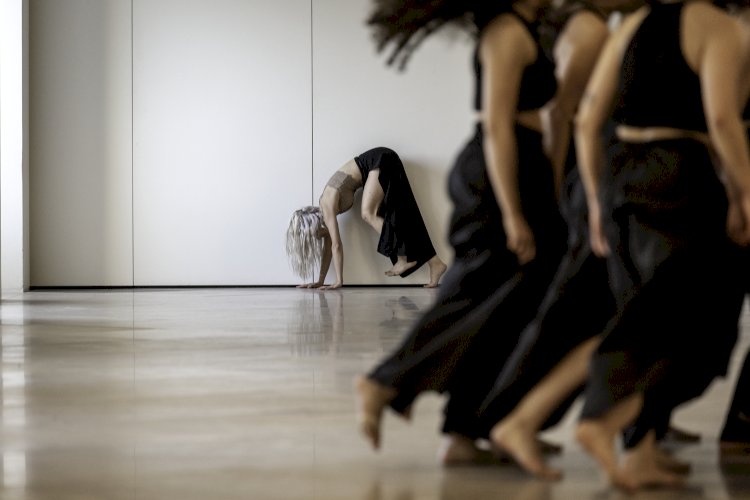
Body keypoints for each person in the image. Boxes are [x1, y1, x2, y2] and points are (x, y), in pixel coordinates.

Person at [356, 0, 570, 462]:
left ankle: (465, 430)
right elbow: (496, 125)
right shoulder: (506, 32)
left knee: (510, 302)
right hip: (498, 174)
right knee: (475, 292)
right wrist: (513, 213)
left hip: (521, 166)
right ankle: (386, 381)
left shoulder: (522, 29)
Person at [571, 0, 750, 490]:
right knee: (700, 323)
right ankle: (605, 420)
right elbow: (721, 119)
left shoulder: (632, 24)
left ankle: (641, 450)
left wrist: (593, 201)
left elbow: (587, 121)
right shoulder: (720, 29)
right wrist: (744, 192)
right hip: (679, 175)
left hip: (621, 174)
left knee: (644, 312)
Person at [285, 147, 447, 289]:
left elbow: (336, 245)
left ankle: (402, 258)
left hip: (380, 159)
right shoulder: (326, 215)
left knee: (368, 214)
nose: (319, 237)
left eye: (315, 235)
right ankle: (435, 263)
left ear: (312, 225)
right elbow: (329, 250)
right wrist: (320, 281)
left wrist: (339, 281)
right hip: (379, 163)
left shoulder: (326, 204)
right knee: (403, 218)